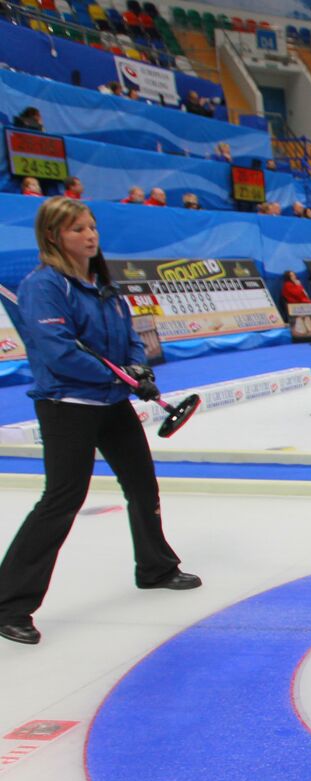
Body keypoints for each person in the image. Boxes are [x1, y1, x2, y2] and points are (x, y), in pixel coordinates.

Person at [0, 198, 200, 646]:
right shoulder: (44, 286)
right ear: (53, 236)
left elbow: (128, 338)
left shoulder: (101, 285)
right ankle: (10, 604)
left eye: (91, 227)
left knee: (142, 485)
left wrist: (138, 369)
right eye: (77, 230)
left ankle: (155, 567)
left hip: (111, 402)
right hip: (67, 403)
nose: (89, 236)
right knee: (62, 499)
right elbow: (58, 350)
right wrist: (126, 379)